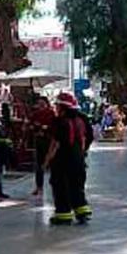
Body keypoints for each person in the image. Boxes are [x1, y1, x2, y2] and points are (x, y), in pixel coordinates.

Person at [43, 92, 94, 225]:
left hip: (62, 161)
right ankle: (82, 211)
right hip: (78, 159)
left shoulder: (59, 121)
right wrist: (82, 153)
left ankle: (63, 215)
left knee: (60, 186)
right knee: (77, 186)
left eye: (57, 106)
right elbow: (88, 138)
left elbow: (55, 144)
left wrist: (47, 161)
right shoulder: (82, 119)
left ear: (62, 107)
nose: (56, 108)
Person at [30, 96, 55, 195]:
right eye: (39, 104)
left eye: (42, 104)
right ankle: (39, 187)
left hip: (49, 142)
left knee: (52, 164)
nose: (41, 106)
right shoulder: (35, 114)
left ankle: (54, 184)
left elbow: (53, 127)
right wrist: (34, 128)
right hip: (39, 141)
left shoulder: (51, 114)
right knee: (39, 165)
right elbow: (30, 125)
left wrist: (44, 128)